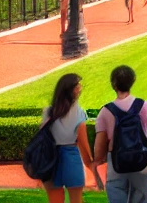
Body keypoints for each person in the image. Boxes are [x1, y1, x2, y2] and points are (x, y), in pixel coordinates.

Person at [95, 65, 147, 203]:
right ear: (132, 81)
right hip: (141, 161)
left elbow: (99, 148)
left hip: (116, 162)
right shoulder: (145, 106)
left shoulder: (105, 111)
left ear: (113, 84)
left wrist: (97, 165)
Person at [38, 73, 102, 203]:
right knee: (76, 200)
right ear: (71, 90)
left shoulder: (48, 111)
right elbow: (83, 143)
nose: (80, 87)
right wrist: (91, 164)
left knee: (55, 200)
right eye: (78, 85)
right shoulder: (78, 112)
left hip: (51, 159)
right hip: (71, 157)